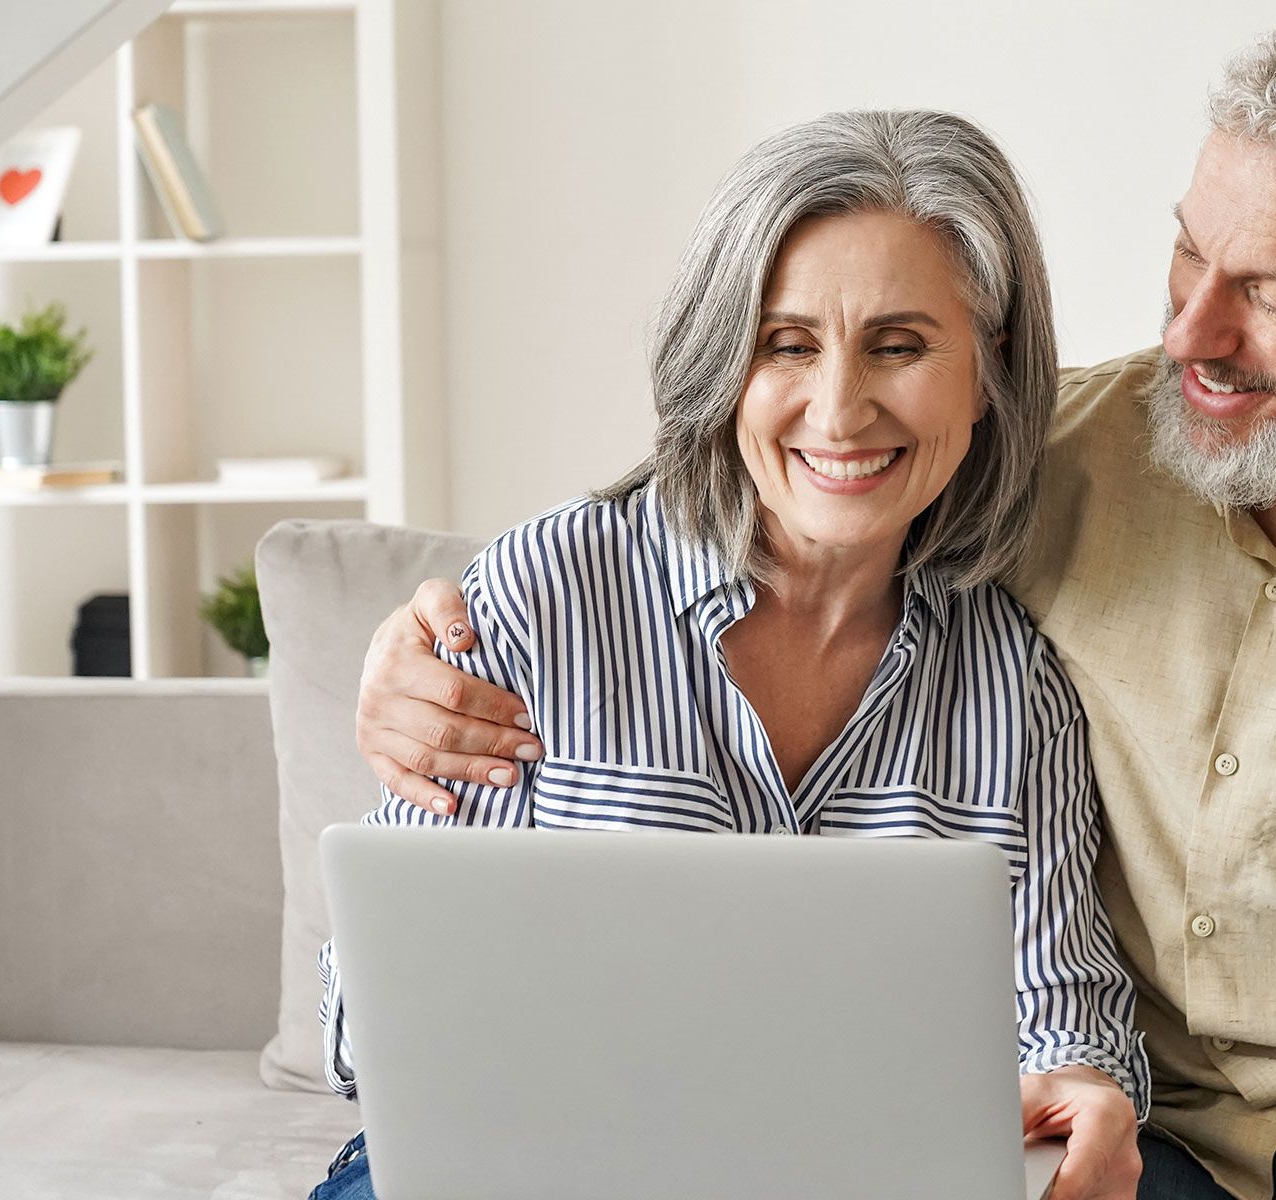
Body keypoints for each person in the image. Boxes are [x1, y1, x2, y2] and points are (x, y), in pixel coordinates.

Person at [355, 11, 1276, 1200]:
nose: (1188, 334)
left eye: (1272, 296)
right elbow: (773, 464)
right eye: (1187, 253)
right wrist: (415, 655)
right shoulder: (1033, 454)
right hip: (1169, 1143)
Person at [311, 109, 1150, 1200]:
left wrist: (1086, 1088)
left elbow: (1064, 1016)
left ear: (987, 376)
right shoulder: (546, 596)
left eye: (899, 345)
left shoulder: (1012, 682)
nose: (839, 411)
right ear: (724, 365)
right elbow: (367, 1011)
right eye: (787, 346)